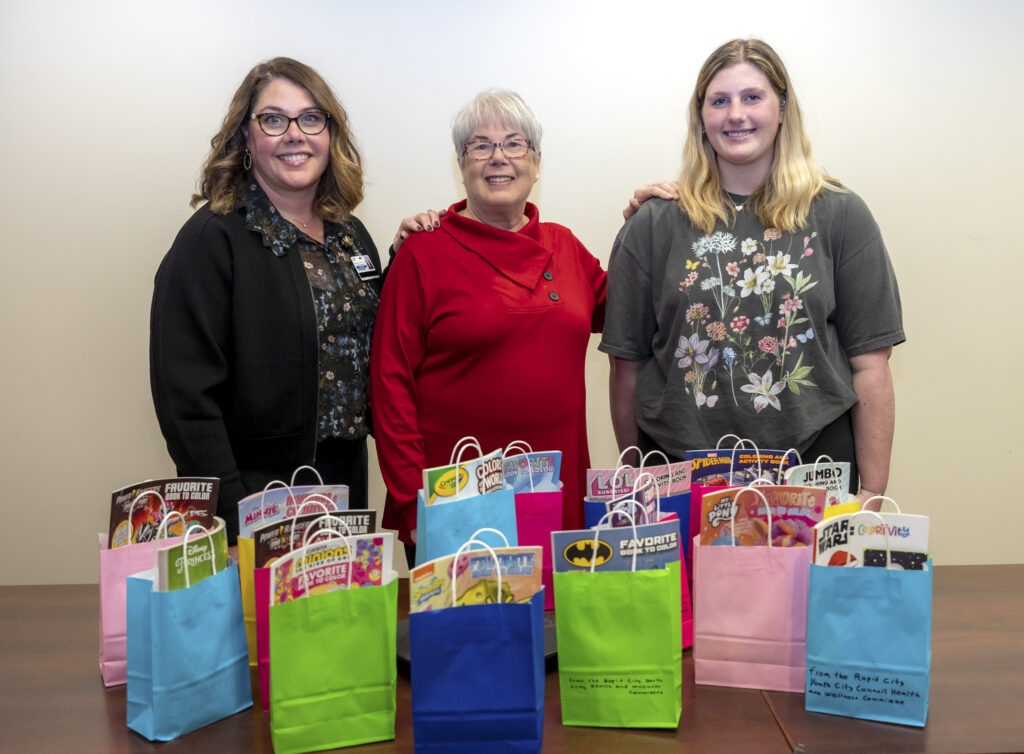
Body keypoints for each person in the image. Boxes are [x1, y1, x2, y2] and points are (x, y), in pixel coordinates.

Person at [600, 39, 903, 511]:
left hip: (813, 462)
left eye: (752, 97)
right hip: (678, 469)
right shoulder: (654, 223)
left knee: (801, 590)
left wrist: (871, 492)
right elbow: (627, 365)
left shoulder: (840, 214)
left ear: (782, 108)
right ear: (701, 116)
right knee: (692, 590)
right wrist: (636, 476)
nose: (735, 114)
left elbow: (870, 363)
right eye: (719, 101)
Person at [150, 58, 382, 540]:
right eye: (274, 120)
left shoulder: (351, 237)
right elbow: (186, 401)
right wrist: (231, 513)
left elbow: (371, 347)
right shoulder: (212, 241)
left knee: (341, 616)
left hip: (344, 489)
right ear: (245, 138)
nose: (295, 134)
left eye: (311, 118)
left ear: (330, 135)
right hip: (252, 499)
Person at [370, 89, 606, 550]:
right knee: (471, 622)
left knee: (558, 621)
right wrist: (412, 499)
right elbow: (389, 382)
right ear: (462, 165)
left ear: (536, 162)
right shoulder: (423, 252)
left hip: (558, 497)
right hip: (456, 502)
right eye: (481, 146)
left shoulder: (566, 246)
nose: (498, 158)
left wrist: (654, 221)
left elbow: (633, 312)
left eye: (514, 144)